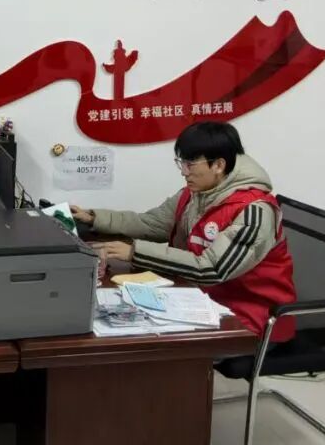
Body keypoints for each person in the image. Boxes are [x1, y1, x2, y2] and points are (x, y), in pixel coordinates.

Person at [71, 122, 296, 342]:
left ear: (219, 165)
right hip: (198, 302)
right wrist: (94, 218)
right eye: (182, 163)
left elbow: (212, 269)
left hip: (251, 320)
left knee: (146, 345)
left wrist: (134, 252)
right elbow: (152, 224)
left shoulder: (254, 211)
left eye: (191, 164)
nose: (184, 172)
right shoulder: (194, 194)